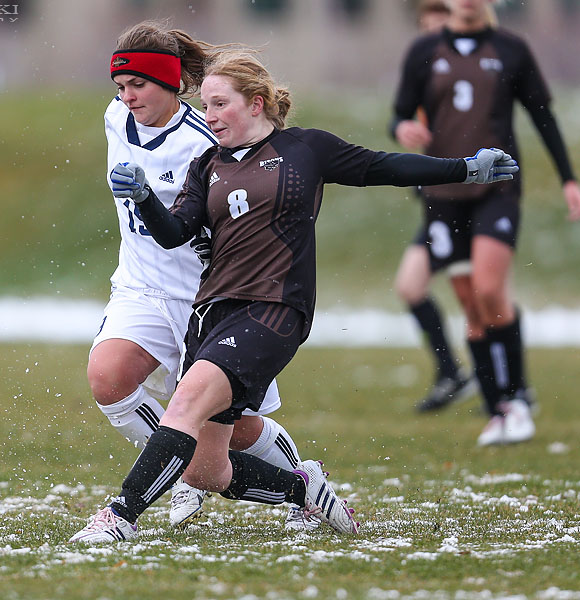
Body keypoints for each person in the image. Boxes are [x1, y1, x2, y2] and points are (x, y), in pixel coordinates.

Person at [69, 48, 517, 544]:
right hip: (212, 313)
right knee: (205, 472)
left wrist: (464, 169)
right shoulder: (205, 166)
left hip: (274, 309)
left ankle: (119, 517)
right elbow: (175, 233)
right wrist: (144, 197)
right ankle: (301, 488)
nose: (209, 116)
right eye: (206, 106)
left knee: (182, 410)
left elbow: (382, 166)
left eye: (220, 105)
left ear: (256, 104)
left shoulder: (306, 149)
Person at [89, 20, 318, 532]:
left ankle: (303, 485)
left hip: (204, 296)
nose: (126, 97)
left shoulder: (205, 141)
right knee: (109, 377)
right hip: (140, 284)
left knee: (235, 433)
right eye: (120, 87)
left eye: (138, 85)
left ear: (170, 83)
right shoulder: (114, 118)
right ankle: (179, 472)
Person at [390, 0, 580, 444]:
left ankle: (517, 398)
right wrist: (403, 129)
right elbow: (399, 113)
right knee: (472, 306)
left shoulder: (511, 48)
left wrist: (569, 178)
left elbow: (542, 115)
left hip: (498, 190)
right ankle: (499, 411)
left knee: (491, 289)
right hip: (443, 196)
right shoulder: (424, 50)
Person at [393, 0, 478, 413]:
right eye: (427, 29)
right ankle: (454, 372)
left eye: (441, 26)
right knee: (411, 286)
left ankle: (505, 385)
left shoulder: (477, 74)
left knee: (477, 295)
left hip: (468, 204)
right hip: (436, 203)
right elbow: (400, 117)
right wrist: (403, 128)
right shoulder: (423, 72)